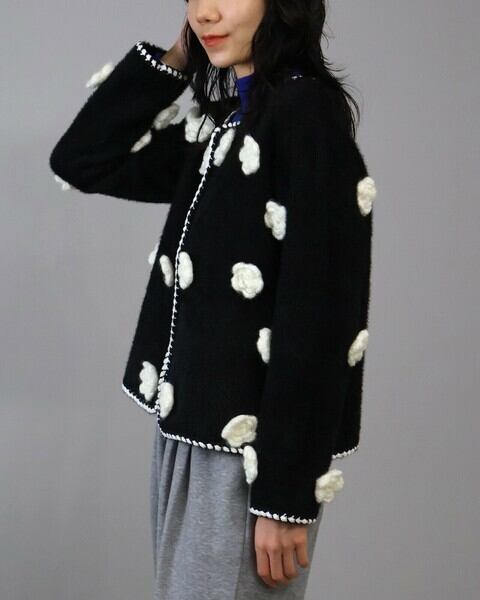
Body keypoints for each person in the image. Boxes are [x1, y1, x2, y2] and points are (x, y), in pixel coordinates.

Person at [49, 1, 376, 598]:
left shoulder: (305, 117)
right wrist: (175, 60)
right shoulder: (226, 123)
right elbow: (82, 159)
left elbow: (321, 317)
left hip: (251, 459)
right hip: (186, 435)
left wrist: (284, 497)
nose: (205, 11)